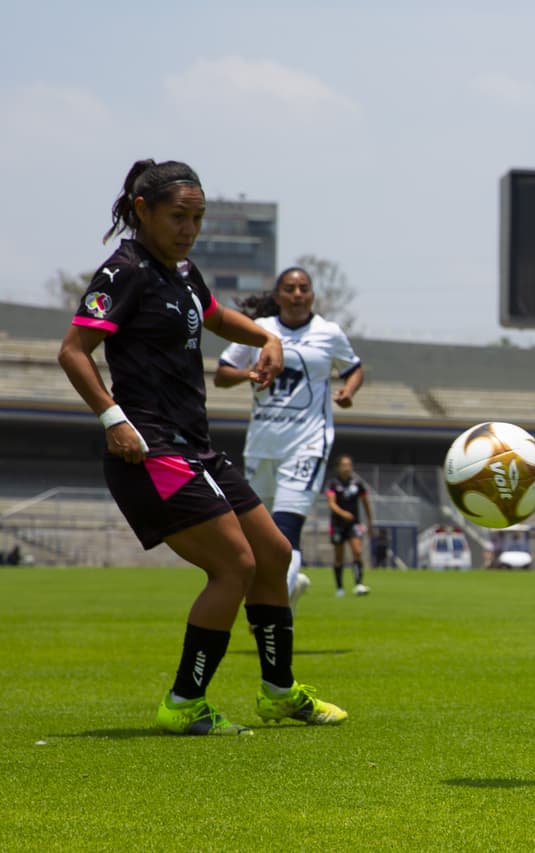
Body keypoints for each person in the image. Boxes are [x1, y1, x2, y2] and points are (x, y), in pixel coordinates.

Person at [57, 159, 346, 734]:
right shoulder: (124, 271)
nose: (189, 229)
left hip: (195, 446)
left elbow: (215, 317)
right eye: (178, 217)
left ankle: (279, 693)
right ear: (143, 211)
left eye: (197, 218)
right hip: (149, 450)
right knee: (234, 565)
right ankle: (184, 702)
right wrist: (113, 419)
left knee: (274, 555)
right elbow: (72, 351)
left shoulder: (183, 271)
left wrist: (265, 335)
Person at [214, 266, 364, 613]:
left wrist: (348, 390)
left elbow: (353, 368)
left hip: (307, 444)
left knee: (285, 532)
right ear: (277, 295)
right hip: (262, 445)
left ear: (312, 295)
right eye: (290, 288)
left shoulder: (328, 333)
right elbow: (221, 374)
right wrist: (248, 373)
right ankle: (290, 588)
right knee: (258, 539)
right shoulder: (260, 330)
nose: (297, 294)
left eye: (304, 288)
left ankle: (271, 613)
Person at [326, 454, 373, 596]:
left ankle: (358, 584)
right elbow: (331, 504)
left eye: (349, 465)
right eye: (344, 465)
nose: (347, 468)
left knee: (357, 552)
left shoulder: (357, 484)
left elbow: (366, 503)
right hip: (338, 525)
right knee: (339, 557)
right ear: (338, 467)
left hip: (354, 524)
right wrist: (343, 513)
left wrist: (370, 522)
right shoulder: (333, 484)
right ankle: (339, 588)